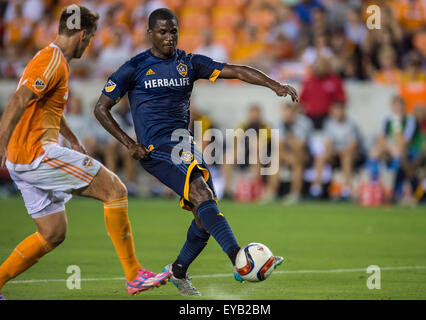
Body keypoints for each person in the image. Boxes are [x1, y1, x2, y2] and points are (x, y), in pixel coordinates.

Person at [93, 8, 297, 296]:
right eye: (162, 32)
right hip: (156, 148)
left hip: (185, 144)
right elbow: (100, 108)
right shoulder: (134, 67)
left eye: (173, 31)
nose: (169, 37)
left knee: (204, 213)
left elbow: (236, 70)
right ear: (150, 33)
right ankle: (240, 260)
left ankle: (178, 272)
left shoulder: (189, 63)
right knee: (202, 195)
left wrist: (274, 85)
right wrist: (129, 143)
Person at [0, 5, 171, 300]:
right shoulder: (52, 62)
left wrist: (72, 138)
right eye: (90, 38)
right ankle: (134, 275)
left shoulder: (53, 61)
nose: (89, 44)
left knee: (53, 232)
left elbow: (43, 107)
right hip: (37, 153)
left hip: (23, 159)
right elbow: (18, 101)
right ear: (81, 34)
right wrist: (0, 142)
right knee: (115, 190)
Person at [310, 102, 364, 200]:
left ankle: (347, 189)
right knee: (320, 157)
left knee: (346, 157)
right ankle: (316, 188)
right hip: (336, 153)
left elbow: (353, 144)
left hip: (350, 153)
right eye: (336, 110)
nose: (338, 113)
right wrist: (330, 152)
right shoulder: (329, 124)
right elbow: (329, 143)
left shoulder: (351, 124)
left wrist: (342, 151)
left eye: (340, 110)